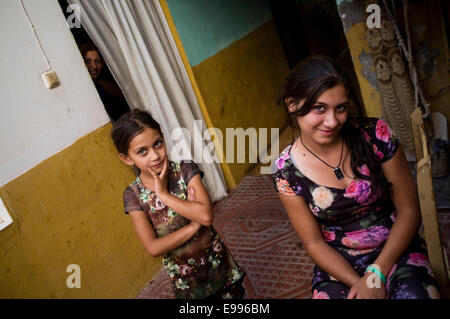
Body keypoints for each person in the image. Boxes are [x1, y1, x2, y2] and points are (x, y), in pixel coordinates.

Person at [272, 55, 440, 299]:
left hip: (395, 248)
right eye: (319, 108)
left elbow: (409, 212)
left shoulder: (376, 135)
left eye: (340, 108)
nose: (332, 121)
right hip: (339, 266)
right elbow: (314, 244)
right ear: (292, 105)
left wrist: (377, 274)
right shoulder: (286, 172)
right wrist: (361, 285)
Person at [111, 109, 245, 299]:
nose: (155, 156)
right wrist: (192, 227)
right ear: (127, 158)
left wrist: (164, 195)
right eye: (142, 151)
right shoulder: (133, 196)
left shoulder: (185, 169)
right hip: (187, 284)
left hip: (219, 267)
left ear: (164, 138)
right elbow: (154, 247)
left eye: (157, 144)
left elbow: (206, 216)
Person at [80, 42, 129, 122]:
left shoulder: (101, 86)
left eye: (97, 61)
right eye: (88, 61)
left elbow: (126, 98)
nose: (94, 66)